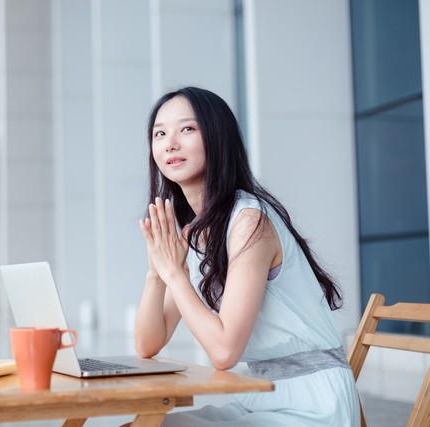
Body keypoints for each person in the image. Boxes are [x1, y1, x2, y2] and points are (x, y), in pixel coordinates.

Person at [134, 87, 360, 426]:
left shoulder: (249, 220)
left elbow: (224, 352)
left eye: (187, 129)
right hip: (256, 393)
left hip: (312, 402)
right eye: (160, 134)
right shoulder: (193, 232)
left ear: (217, 138)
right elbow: (147, 344)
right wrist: (158, 272)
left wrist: (176, 275)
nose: (170, 143)